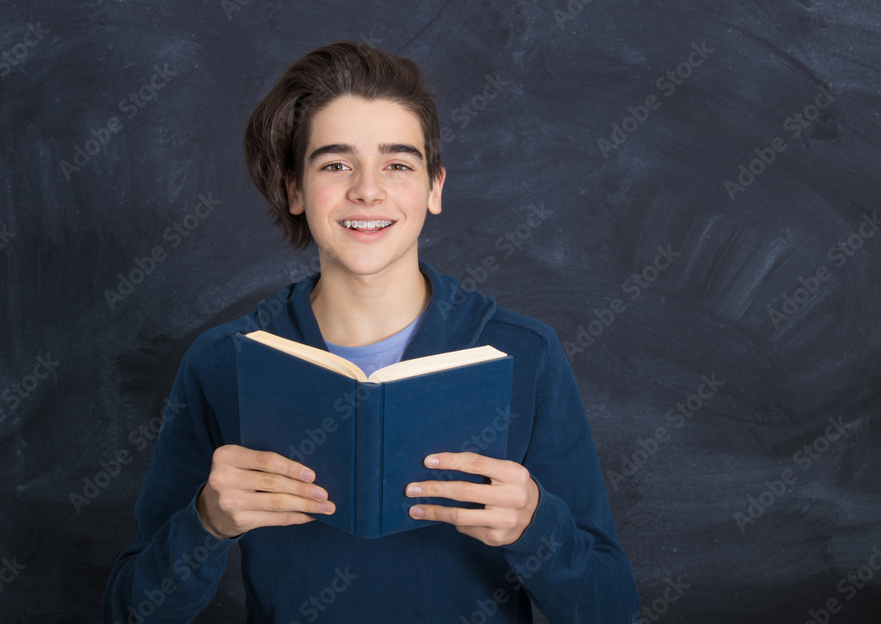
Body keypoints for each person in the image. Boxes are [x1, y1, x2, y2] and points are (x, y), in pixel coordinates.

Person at [103, 40, 640, 623]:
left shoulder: (526, 355)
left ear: (434, 187)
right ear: (293, 189)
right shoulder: (221, 362)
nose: (367, 189)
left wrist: (537, 527)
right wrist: (205, 522)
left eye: (398, 164)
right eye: (335, 164)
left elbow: (611, 609)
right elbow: (130, 613)